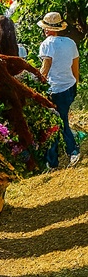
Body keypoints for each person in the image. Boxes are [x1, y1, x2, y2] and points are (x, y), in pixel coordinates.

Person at [38, 12, 80, 168]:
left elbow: (45, 67)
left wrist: (38, 84)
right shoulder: (70, 43)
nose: (44, 30)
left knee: (57, 123)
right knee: (61, 120)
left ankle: (71, 152)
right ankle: (54, 159)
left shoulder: (47, 44)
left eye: (45, 27)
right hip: (69, 87)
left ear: (49, 29)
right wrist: (75, 83)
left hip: (55, 90)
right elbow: (75, 68)